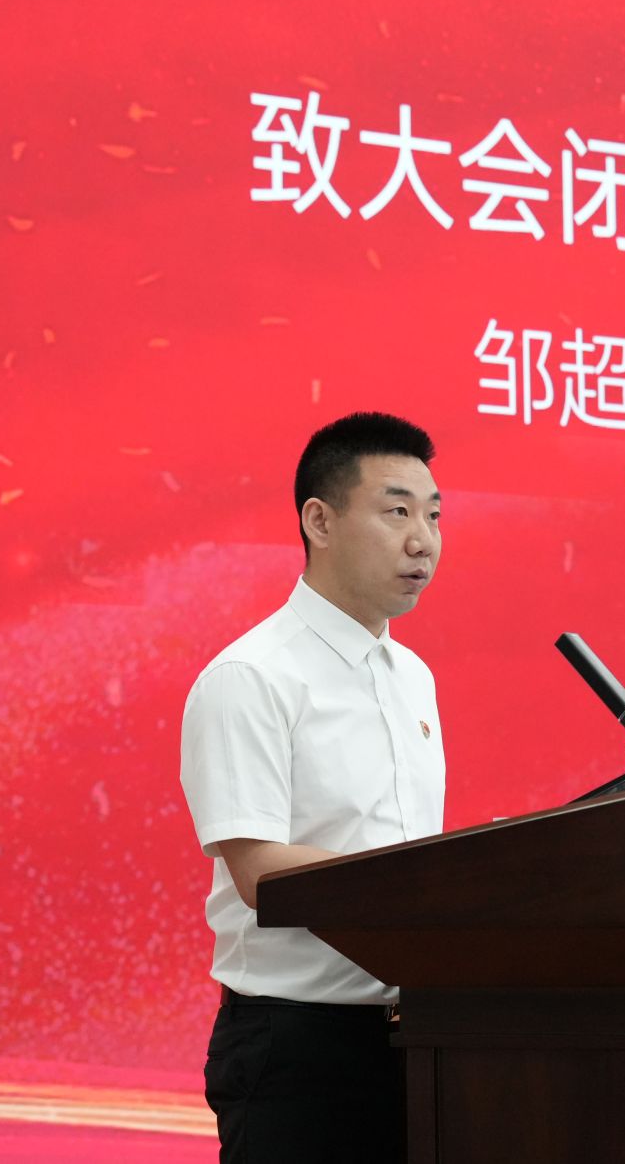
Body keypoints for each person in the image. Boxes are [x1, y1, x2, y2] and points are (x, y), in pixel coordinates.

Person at [179, 411, 446, 1163]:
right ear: (319, 521)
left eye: (433, 515)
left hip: (418, 1035)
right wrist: (436, 881)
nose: (422, 541)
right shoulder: (253, 675)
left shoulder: (413, 677)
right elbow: (260, 871)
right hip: (296, 1044)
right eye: (397, 511)